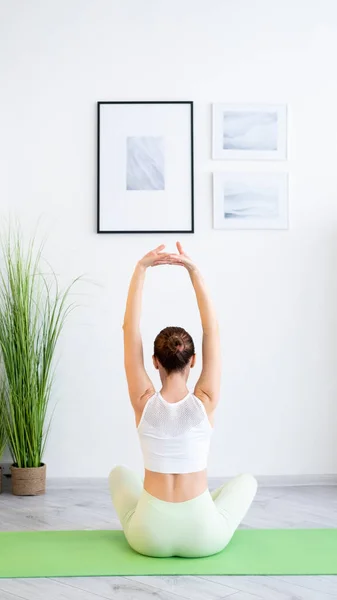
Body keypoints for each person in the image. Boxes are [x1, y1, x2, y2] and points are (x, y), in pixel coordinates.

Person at [109, 242, 257, 558]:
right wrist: (194, 271)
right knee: (247, 482)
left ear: (154, 361)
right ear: (193, 361)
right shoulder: (206, 400)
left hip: (147, 537)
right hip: (203, 536)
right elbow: (212, 331)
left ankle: (162, 515)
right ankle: (204, 506)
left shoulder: (142, 401)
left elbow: (129, 331)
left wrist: (141, 269)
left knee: (119, 474)